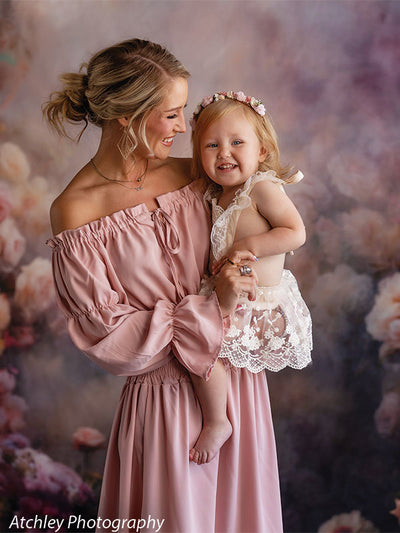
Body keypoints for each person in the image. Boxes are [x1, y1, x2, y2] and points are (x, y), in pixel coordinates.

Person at [44, 39, 283, 533]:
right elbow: (108, 334)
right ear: (128, 117)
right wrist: (208, 307)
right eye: (172, 115)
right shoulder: (76, 211)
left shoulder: (197, 175)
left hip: (236, 384)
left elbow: (259, 224)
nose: (184, 128)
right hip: (167, 403)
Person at [188, 91, 312, 466]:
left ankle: (216, 421)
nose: (224, 153)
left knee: (200, 348)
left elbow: (295, 231)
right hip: (232, 296)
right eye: (212, 145)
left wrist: (251, 243)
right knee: (199, 345)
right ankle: (218, 416)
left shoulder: (261, 187)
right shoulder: (216, 195)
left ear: (261, 150)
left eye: (237, 142)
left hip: (260, 303)